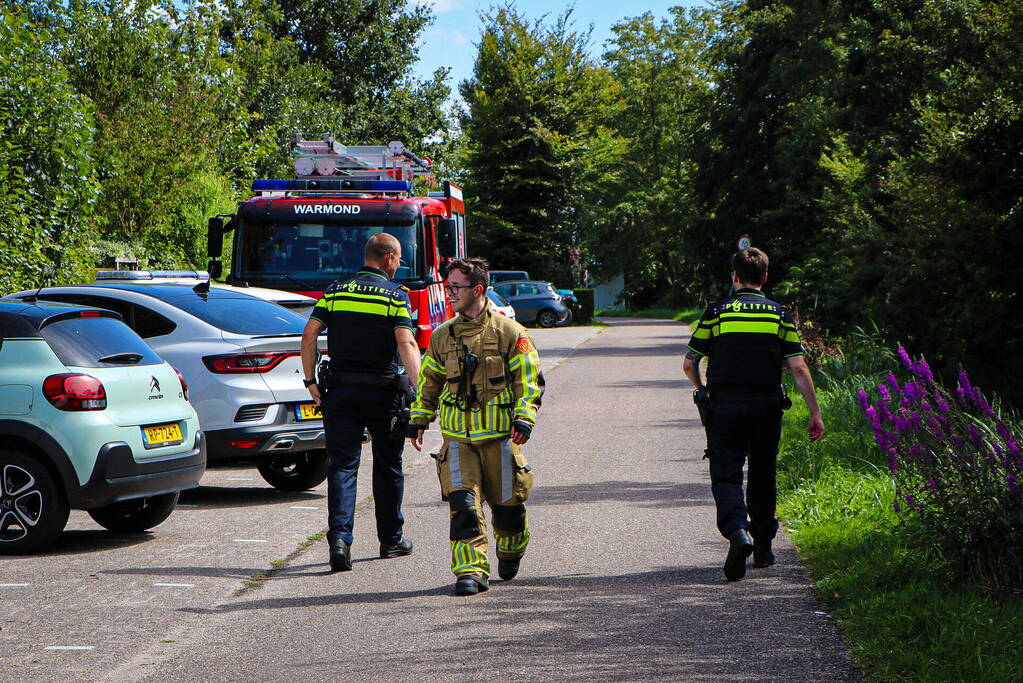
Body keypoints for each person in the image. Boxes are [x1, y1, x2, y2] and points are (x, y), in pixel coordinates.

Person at [683, 247, 824, 582]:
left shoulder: (717, 313)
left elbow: (690, 361)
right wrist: (814, 412)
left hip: (725, 406)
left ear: (734, 277)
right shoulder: (779, 314)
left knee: (726, 473)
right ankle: (763, 547)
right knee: (763, 473)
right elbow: (798, 367)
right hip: (766, 406)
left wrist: (702, 388)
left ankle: (737, 532)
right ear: (764, 277)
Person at [407, 257, 543, 596]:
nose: (449, 293)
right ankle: (470, 570)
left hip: (500, 438)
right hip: (457, 440)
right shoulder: (442, 336)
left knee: (508, 511)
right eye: (448, 286)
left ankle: (512, 548)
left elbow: (529, 380)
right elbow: (429, 381)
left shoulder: (509, 333)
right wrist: (419, 419)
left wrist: (525, 417)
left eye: (455, 287)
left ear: (477, 290)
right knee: (463, 506)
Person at [300, 233, 422, 572]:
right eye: (398, 259)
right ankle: (391, 540)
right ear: (388, 259)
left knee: (342, 466)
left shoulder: (336, 290)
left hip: (339, 392)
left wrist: (310, 380)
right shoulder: (395, 296)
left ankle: (340, 541)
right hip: (383, 394)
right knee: (387, 465)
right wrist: (423, 392)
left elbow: (309, 334)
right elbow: (406, 343)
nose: (398, 266)